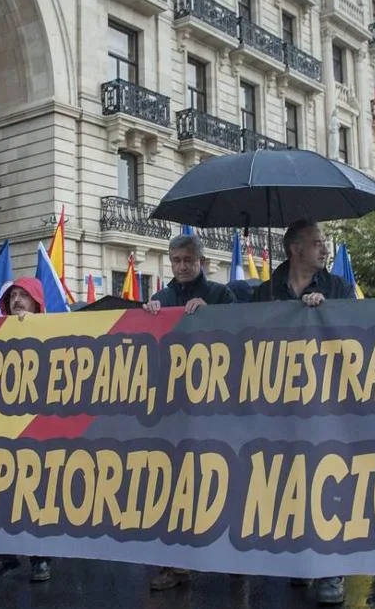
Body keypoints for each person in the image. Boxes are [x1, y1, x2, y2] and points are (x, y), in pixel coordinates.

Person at [253, 219, 351, 606]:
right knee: (289, 482)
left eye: (323, 242)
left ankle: (331, 570)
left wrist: (326, 314)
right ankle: (300, 560)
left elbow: (358, 334)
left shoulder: (339, 289)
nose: (324, 249)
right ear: (295, 250)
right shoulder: (264, 293)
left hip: (326, 404)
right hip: (280, 404)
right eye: (316, 243)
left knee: (327, 482)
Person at [142, 234, 237, 591]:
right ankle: (176, 566)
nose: (181, 267)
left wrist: (212, 315)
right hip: (173, 411)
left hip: (215, 407)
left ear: (201, 262)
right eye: (176, 260)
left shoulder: (220, 295)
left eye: (188, 260)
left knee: (222, 480)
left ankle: (232, 558)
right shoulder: (160, 298)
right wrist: (149, 315)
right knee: (175, 488)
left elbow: (239, 338)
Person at [0, 277, 52, 585]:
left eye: (23, 295)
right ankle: (3, 558)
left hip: (39, 429)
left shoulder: (54, 330)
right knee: (0, 495)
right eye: (13, 296)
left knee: (36, 498)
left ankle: (40, 559)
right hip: (1, 430)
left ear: (36, 301)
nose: (17, 300)